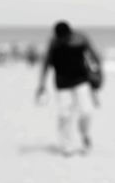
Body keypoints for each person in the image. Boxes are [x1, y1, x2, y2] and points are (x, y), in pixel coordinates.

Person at [36, 21, 102, 156]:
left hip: (81, 80)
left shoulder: (81, 39)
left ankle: (85, 136)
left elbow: (95, 57)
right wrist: (42, 84)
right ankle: (66, 146)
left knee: (86, 111)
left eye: (64, 37)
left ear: (70, 33)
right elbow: (46, 64)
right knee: (64, 115)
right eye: (60, 38)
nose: (63, 40)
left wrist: (98, 74)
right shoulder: (54, 43)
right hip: (62, 84)